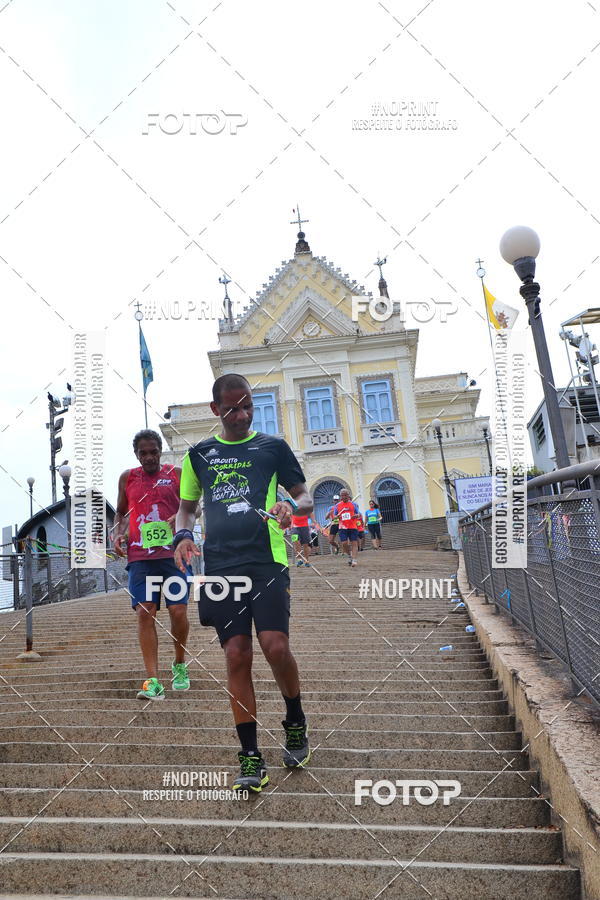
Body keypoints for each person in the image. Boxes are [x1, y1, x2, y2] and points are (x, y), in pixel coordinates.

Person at [173, 373, 313, 794]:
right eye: (232, 408)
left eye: (248, 406)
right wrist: (183, 535)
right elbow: (186, 509)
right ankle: (250, 756)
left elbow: (305, 496)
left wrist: (290, 506)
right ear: (216, 409)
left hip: (266, 560)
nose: (242, 415)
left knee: (275, 647)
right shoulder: (199, 455)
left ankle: (295, 720)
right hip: (220, 566)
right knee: (236, 655)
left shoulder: (272, 447)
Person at [113, 429, 191, 700]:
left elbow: (194, 507)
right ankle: (153, 681)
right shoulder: (127, 478)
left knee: (178, 611)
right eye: (143, 453)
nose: (148, 457)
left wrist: (178, 517)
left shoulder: (176, 474)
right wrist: (118, 533)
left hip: (174, 554)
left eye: (153, 452)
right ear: (136, 454)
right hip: (140, 556)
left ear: (160, 451)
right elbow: (121, 513)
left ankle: (179, 664)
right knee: (145, 613)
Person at [333, 489, 360, 567]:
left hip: (352, 526)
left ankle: (354, 559)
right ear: (340, 496)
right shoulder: (337, 505)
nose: (344, 497)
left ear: (348, 495)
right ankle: (349, 555)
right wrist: (337, 516)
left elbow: (358, 514)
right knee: (344, 543)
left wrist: (356, 515)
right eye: (342, 495)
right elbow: (334, 516)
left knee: (354, 543)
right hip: (342, 527)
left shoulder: (353, 504)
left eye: (346, 495)